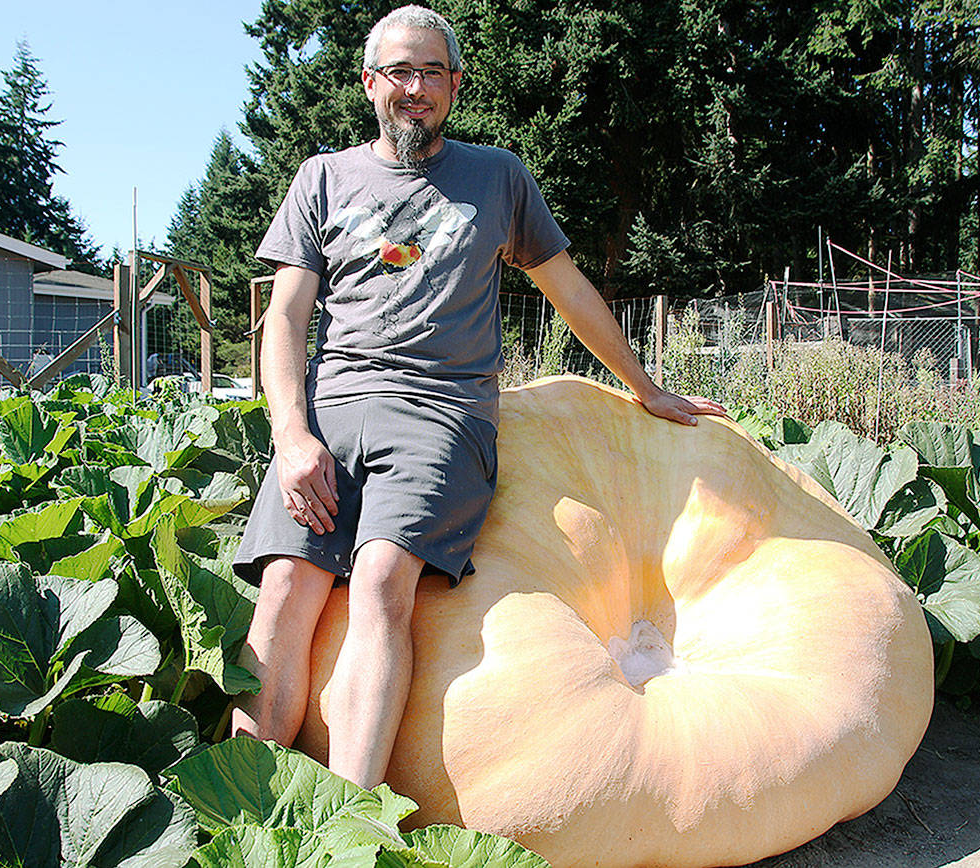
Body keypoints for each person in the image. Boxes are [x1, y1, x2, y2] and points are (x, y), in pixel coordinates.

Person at [230, 4, 725, 788]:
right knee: (287, 586)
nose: (415, 87)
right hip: (331, 411)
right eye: (400, 70)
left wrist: (648, 387)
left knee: (382, 579)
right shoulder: (321, 178)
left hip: (439, 413)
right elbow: (286, 318)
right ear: (370, 83)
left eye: (432, 72)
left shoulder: (498, 177)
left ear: (455, 86)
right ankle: (247, 802)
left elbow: (568, 290)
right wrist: (292, 436)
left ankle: (347, 820)